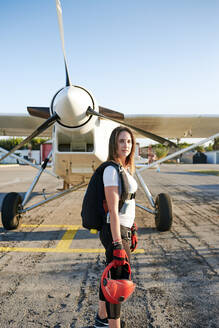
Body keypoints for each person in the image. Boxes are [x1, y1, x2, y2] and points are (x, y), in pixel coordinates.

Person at [94, 126, 138, 328]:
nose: (126, 145)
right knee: (118, 284)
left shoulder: (123, 169)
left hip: (122, 230)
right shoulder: (111, 170)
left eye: (129, 141)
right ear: (114, 143)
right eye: (121, 141)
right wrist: (119, 243)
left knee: (110, 278)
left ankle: (101, 320)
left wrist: (133, 228)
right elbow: (113, 210)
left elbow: (127, 204)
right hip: (116, 231)